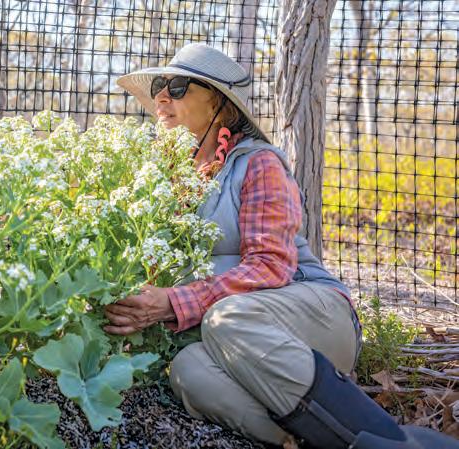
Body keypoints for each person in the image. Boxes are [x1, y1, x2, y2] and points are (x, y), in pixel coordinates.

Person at [106, 42, 458, 449]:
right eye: (158, 87)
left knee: (225, 318)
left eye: (178, 86)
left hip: (308, 318)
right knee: (188, 370)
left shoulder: (259, 163)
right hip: (238, 344)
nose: (161, 96)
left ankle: (397, 444)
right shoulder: (165, 179)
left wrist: (172, 302)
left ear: (220, 102)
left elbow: (270, 266)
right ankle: (312, 442)